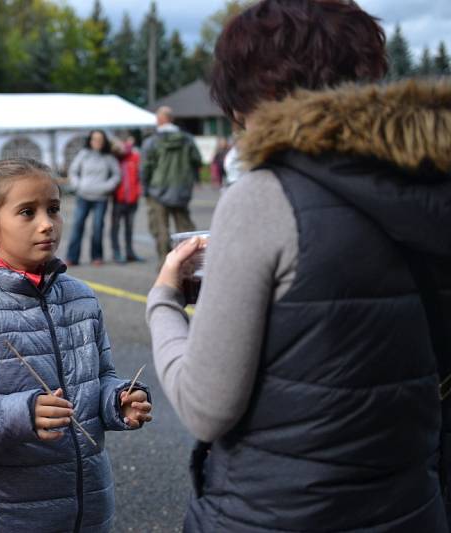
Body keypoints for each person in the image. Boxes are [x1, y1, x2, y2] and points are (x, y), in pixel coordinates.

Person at [146, 1, 451, 531]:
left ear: (249, 94)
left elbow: (206, 406)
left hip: (279, 511)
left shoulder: (264, 198)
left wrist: (164, 300)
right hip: (410, 505)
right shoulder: (428, 186)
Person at [0, 158, 153, 532]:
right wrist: (21, 414)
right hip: (8, 517)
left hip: (88, 511)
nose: (47, 224)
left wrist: (117, 400)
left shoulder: (81, 298)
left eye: (53, 208)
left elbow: (99, 380)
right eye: (27, 212)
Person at [141, 106, 202, 266]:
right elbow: (197, 160)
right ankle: (189, 263)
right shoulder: (187, 139)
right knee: (185, 229)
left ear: (160, 120)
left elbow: (145, 167)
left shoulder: (152, 141)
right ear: (171, 119)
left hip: (157, 191)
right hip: (181, 189)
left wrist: (145, 188)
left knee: (160, 229)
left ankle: (165, 264)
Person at [65, 130, 121, 266]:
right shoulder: (83, 154)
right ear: (90, 140)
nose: (97, 142)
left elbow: (116, 175)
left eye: (100, 139)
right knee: (78, 226)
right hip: (83, 196)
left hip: (100, 198)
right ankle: (72, 257)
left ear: (104, 141)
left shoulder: (109, 157)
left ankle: (97, 256)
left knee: (97, 227)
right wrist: (78, 185)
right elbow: (73, 171)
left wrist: (107, 187)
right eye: (94, 139)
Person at [110, 133, 144, 263]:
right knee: (116, 227)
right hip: (118, 199)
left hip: (132, 199)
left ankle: (130, 252)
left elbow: (139, 175)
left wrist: (139, 191)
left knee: (129, 228)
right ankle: (116, 252)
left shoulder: (135, 157)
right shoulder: (114, 158)